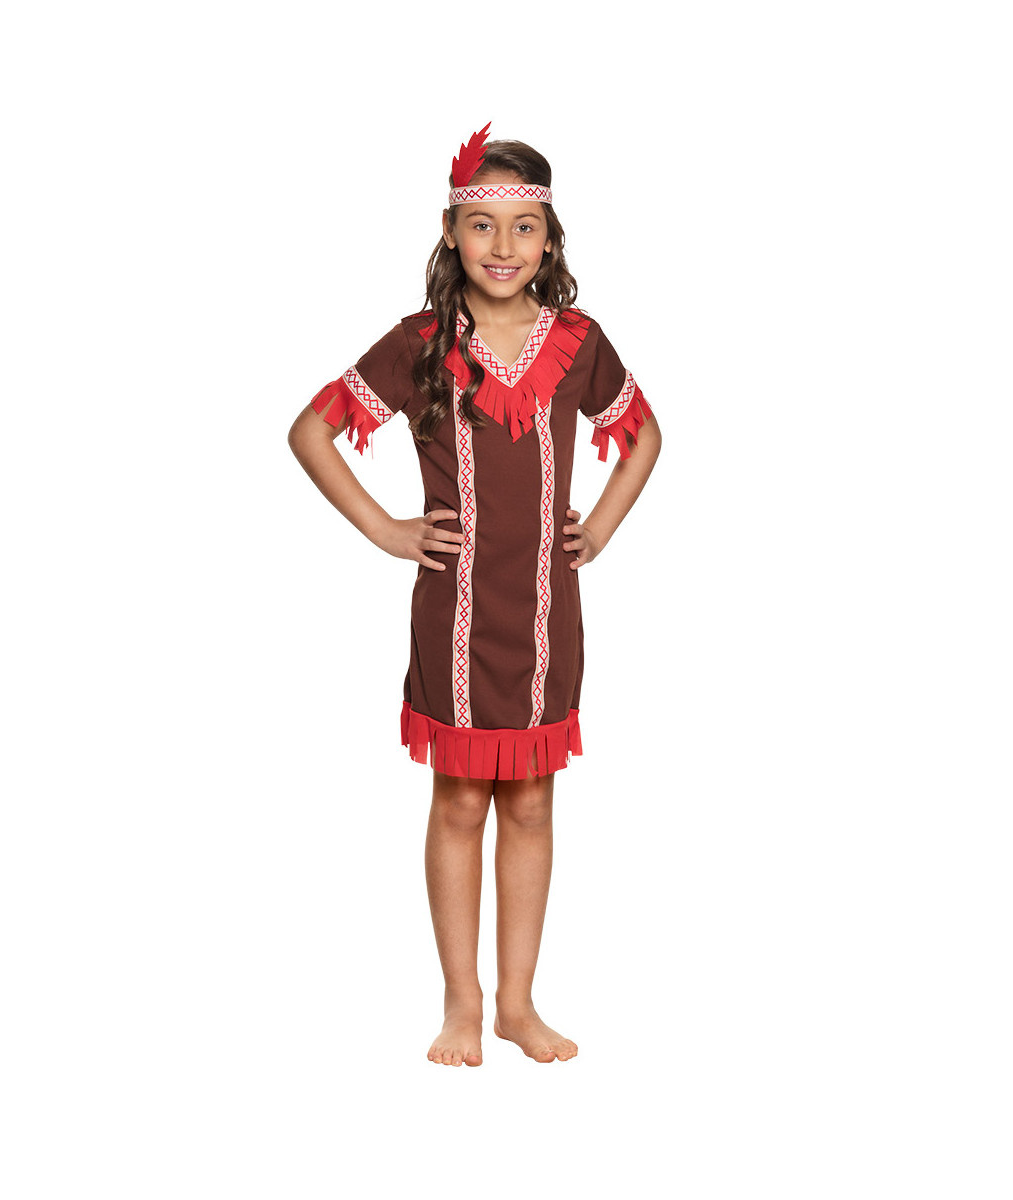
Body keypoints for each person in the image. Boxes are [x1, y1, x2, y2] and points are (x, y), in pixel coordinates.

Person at [287, 124, 662, 1066]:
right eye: (483, 225)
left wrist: (599, 528)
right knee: (459, 801)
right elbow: (310, 432)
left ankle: (518, 1005)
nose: (503, 246)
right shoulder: (421, 344)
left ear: (550, 238)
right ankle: (462, 1003)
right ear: (452, 232)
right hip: (452, 616)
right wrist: (386, 529)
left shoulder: (577, 343)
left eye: (524, 226)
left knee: (530, 802)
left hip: (545, 617)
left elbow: (644, 434)